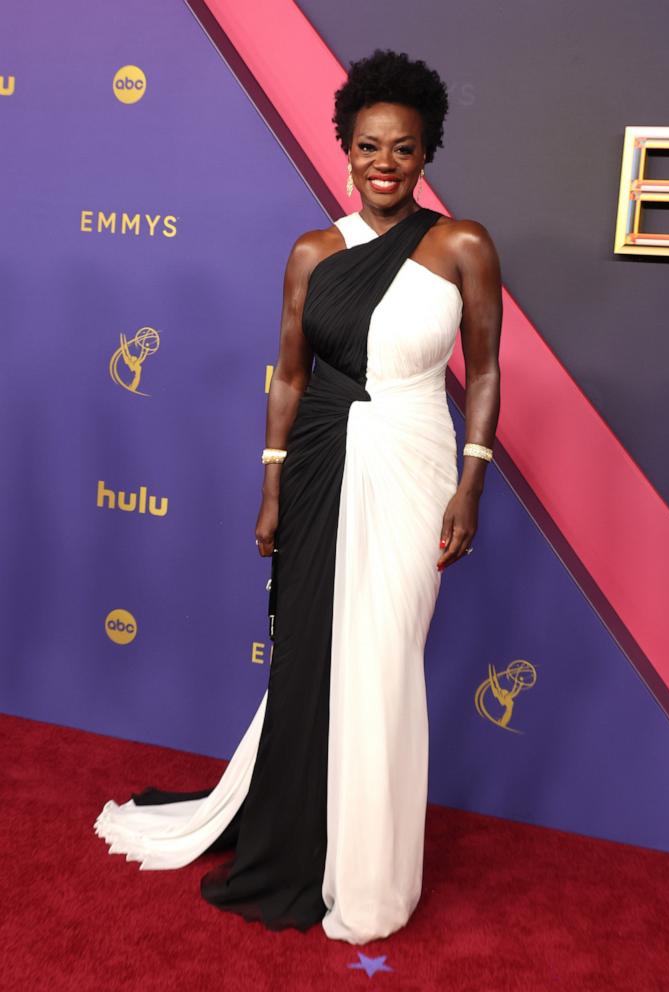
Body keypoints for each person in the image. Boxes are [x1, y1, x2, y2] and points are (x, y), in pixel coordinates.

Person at [93, 48, 502, 945]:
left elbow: (484, 370)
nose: (383, 164)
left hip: (416, 461)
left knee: (386, 659)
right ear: (344, 151)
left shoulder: (461, 243)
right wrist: (271, 485)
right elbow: (287, 376)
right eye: (366, 147)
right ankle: (302, 838)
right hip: (318, 459)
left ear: (426, 152)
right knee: (316, 656)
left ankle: (371, 875)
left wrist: (470, 483)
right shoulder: (314, 251)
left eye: (402, 148)